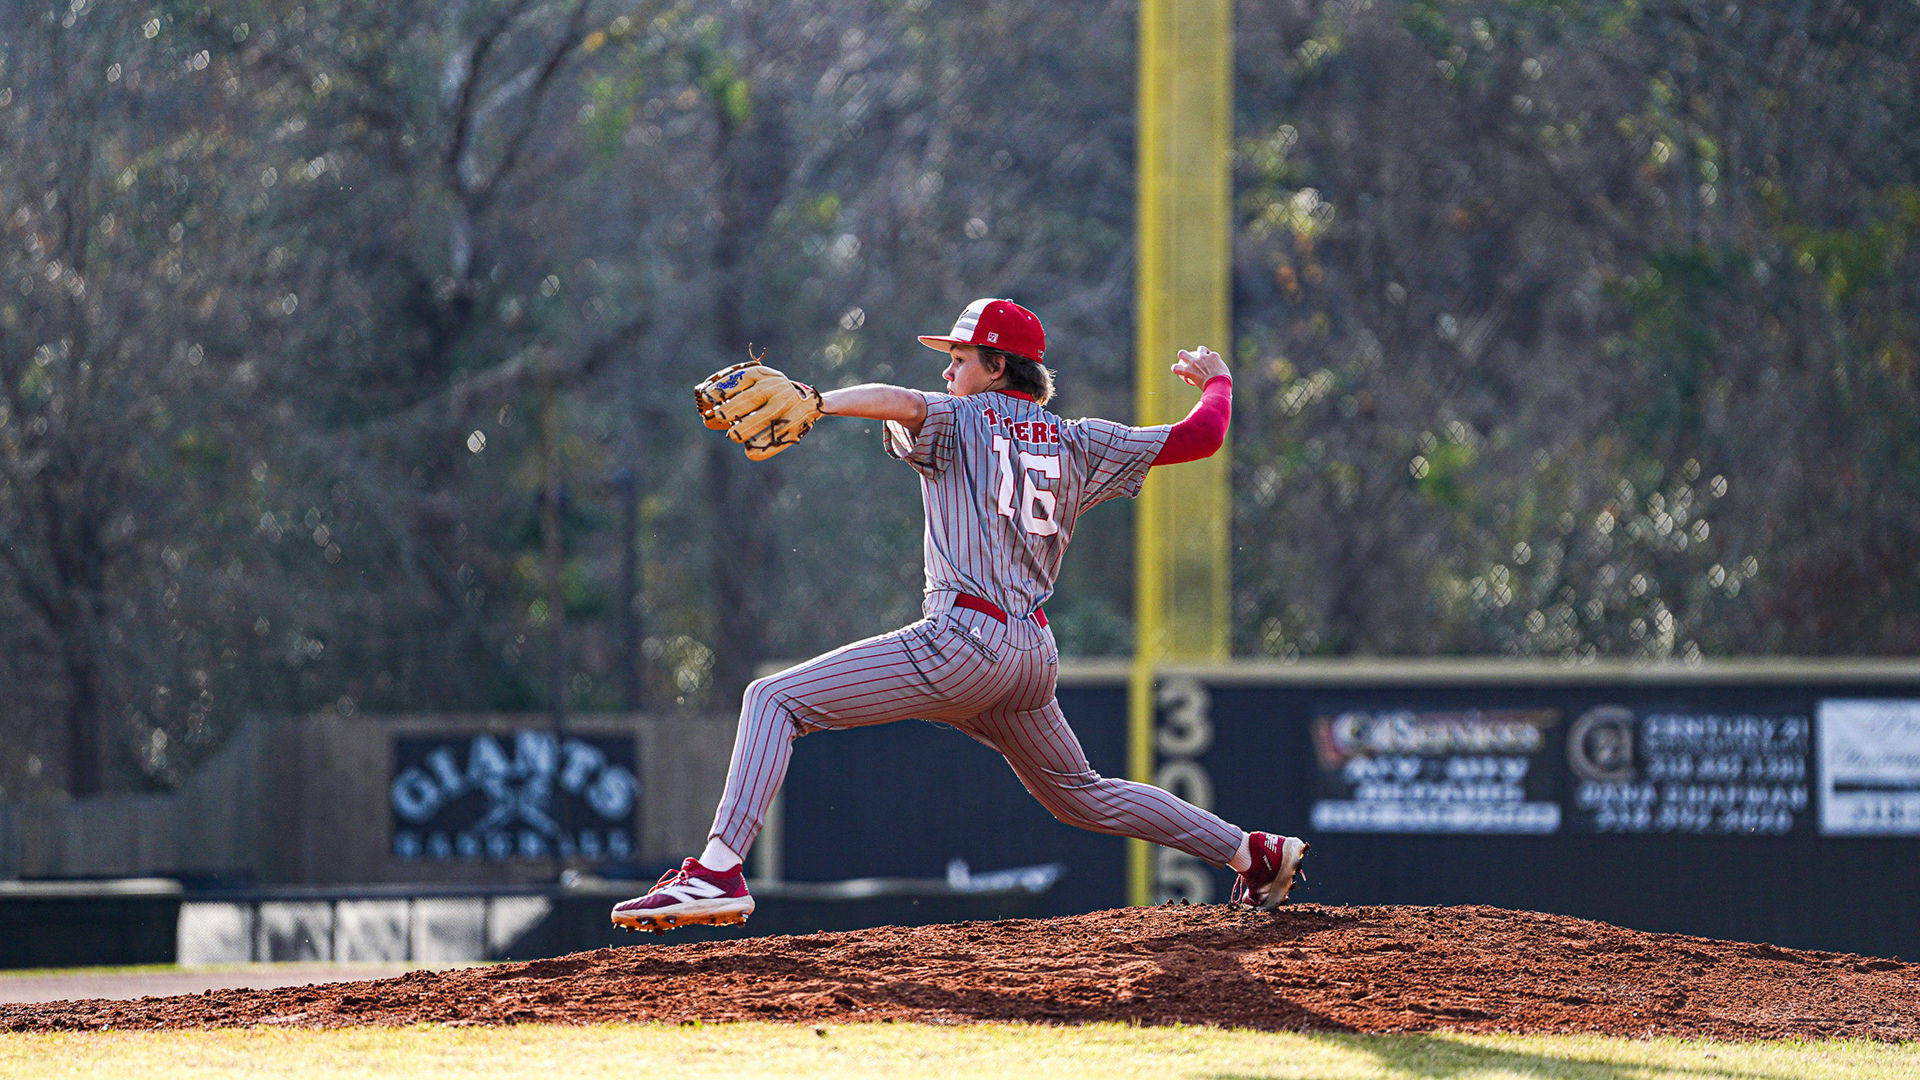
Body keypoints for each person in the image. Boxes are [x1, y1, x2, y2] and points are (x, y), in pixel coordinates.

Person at [612, 298, 1307, 932]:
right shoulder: (1079, 440)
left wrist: (820, 401)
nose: (947, 372)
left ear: (998, 366)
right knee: (1082, 795)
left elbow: (901, 403)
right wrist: (1219, 381)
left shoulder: (963, 418)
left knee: (773, 700)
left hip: (963, 641)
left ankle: (717, 870)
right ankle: (1253, 853)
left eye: (960, 358)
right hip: (1031, 655)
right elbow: (1200, 436)